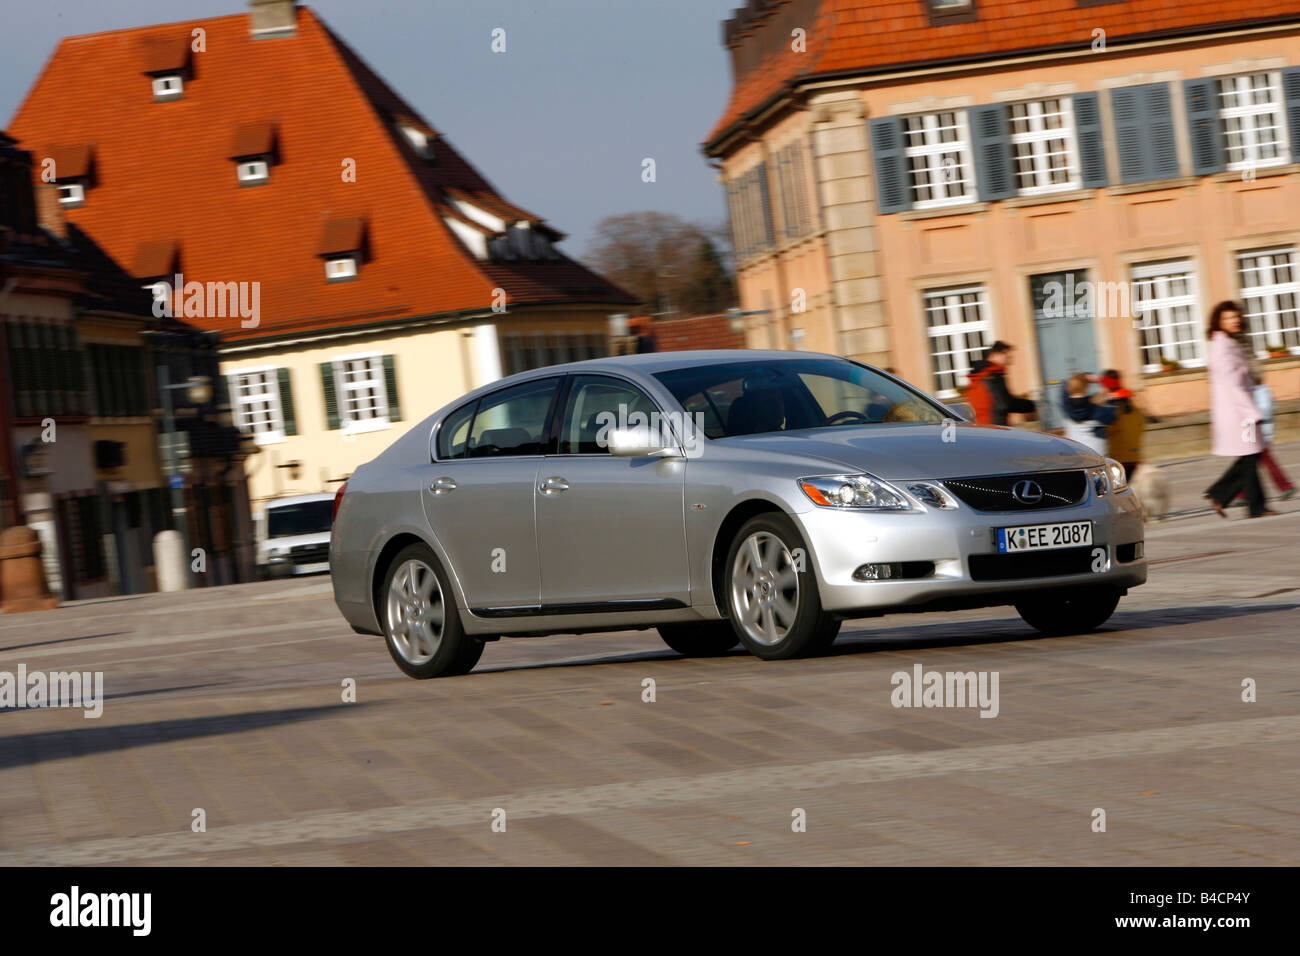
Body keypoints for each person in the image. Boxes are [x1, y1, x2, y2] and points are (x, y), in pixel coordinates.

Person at [1203, 301, 1276, 519]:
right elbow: (1233, 383)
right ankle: (1253, 506)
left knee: (1250, 457)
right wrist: (1251, 412)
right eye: (1228, 318)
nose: (1234, 321)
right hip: (1239, 413)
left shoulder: (1228, 343)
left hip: (1240, 410)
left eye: (1235, 317)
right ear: (1219, 322)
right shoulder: (1223, 347)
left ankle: (1222, 495)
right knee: (1250, 458)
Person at [964, 341, 1038, 426]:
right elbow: (1004, 404)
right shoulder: (991, 376)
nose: (1009, 361)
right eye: (1007, 356)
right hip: (994, 428)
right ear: (996, 355)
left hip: (983, 427)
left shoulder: (981, 375)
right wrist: (1033, 405)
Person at [1100, 369, 1146, 480]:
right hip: (1135, 456)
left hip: (1118, 459)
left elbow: (1107, 431)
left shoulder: (1111, 409)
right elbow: (1141, 425)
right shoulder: (1134, 406)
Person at [1061, 373, 1117, 455]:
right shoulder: (1096, 410)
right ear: (1086, 388)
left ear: (1069, 388)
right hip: (1096, 457)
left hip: (1076, 454)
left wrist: (1082, 377)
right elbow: (1113, 416)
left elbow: (1064, 387)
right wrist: (1106, 390)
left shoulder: (1066, 407)